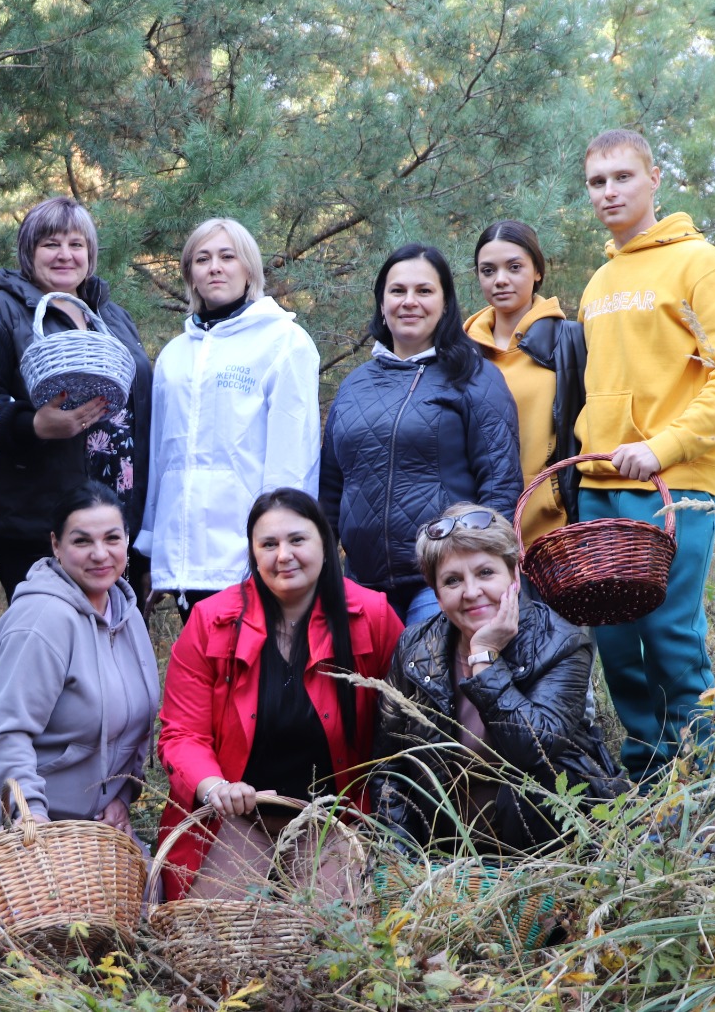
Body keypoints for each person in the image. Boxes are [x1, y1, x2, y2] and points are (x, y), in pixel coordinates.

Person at [575, 129, 715, 782]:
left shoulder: (698, 264)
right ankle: (647, 786)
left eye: (622, 177)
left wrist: (660, 448)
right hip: (600, 483)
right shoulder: (599, 282)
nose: (609, 192)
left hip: (675, 481)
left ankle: (697, 789)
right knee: (618, 646)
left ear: (655, 178)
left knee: (670, 638)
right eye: (597, 182)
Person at [155, 489, 403, 901]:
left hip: (334, 817)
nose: (283, 555)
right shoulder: (210, 621)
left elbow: (404, 725)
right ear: (253, 554)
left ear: (326, 543)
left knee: (334, 940)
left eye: (297, 540)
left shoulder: (371, 615)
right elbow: (182, 734)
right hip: (238, 814)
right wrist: (217, 787)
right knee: (214, 940)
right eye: (268, 544)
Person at [367, 504, 628, 854]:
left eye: (486, 572)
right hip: (446, 848)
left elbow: (535, 751)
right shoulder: (415, 647)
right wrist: (402, 855)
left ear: (514, 575)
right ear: (436, 592)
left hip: (548, 840)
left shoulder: (561, 641)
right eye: (452, 580)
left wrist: (485, 657)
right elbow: (389, 765)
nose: (471, 592)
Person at [0, 196, 153, 600]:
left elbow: (140, 408)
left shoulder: (112, 315)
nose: (65, 255)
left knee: (116, 646)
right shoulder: (1, 313)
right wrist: (32, 425)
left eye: (76, 244)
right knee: (53, 644)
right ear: (30, 252)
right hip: (40, 523)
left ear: (90, 253)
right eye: (51, 244)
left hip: (117, 521)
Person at [320, 244, 522, 626]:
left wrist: (482, 574)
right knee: (370, 687)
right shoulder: (354, 386)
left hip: (443, 582)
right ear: (381, 303)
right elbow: (330, 489)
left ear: (445, 304)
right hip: (361, 583)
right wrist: (326, 572)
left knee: (428, 683)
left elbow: (500, 484)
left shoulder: (475, 377)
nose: (409, 301)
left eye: (424, 291)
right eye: (397, 291)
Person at [0, 483, 159, 844]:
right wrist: (31, 819)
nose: (99, 553)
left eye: (112, 538)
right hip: (20, 822)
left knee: (158, 897)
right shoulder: (41, 619)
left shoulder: (127, 614)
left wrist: (121, 797)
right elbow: (6, 733)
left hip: (91, 821)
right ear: (56, 546)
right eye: (81, 541)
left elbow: (136, 725)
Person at [137, 218, 321, 621]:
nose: (215, 267)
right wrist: (154, 549)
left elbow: (294, 454)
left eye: (227, 256)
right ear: (190, 275)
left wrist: (279, 546)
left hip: (250, 558)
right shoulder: (174, 355)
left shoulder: (283, 342)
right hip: (185, 560)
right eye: (202, 259)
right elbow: (160, 459)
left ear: (249, 269)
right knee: (204, 680)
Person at [464, 221, 586, 544]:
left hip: (553, 531)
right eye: (488, 270)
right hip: (476, 531)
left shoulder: (569, 341)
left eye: (514, 267)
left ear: (537, 271)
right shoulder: (461, 353)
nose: (500, 280)